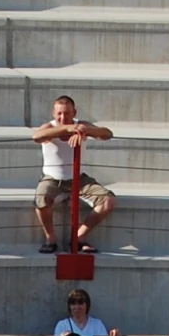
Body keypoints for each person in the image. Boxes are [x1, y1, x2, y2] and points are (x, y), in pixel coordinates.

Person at [31, 95, 113, 254]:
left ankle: (78, 237)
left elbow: (107, 134)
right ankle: (51, 238)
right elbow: (36, 137)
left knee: (108, 201)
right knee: (41, 198)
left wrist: (84, 130)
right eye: (59, 114)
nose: (63, 117)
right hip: (52, 179)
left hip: (79, 179)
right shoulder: (49, 127)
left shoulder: (81, 125)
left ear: (74, 112)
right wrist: (67, 129)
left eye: (67, 113)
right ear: (54, 114)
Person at [47, 287, 116, 336]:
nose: (77, 307)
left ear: (87, 305)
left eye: (80, 303)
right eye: (73, 304)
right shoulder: (62, 325)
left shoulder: (97, 324)